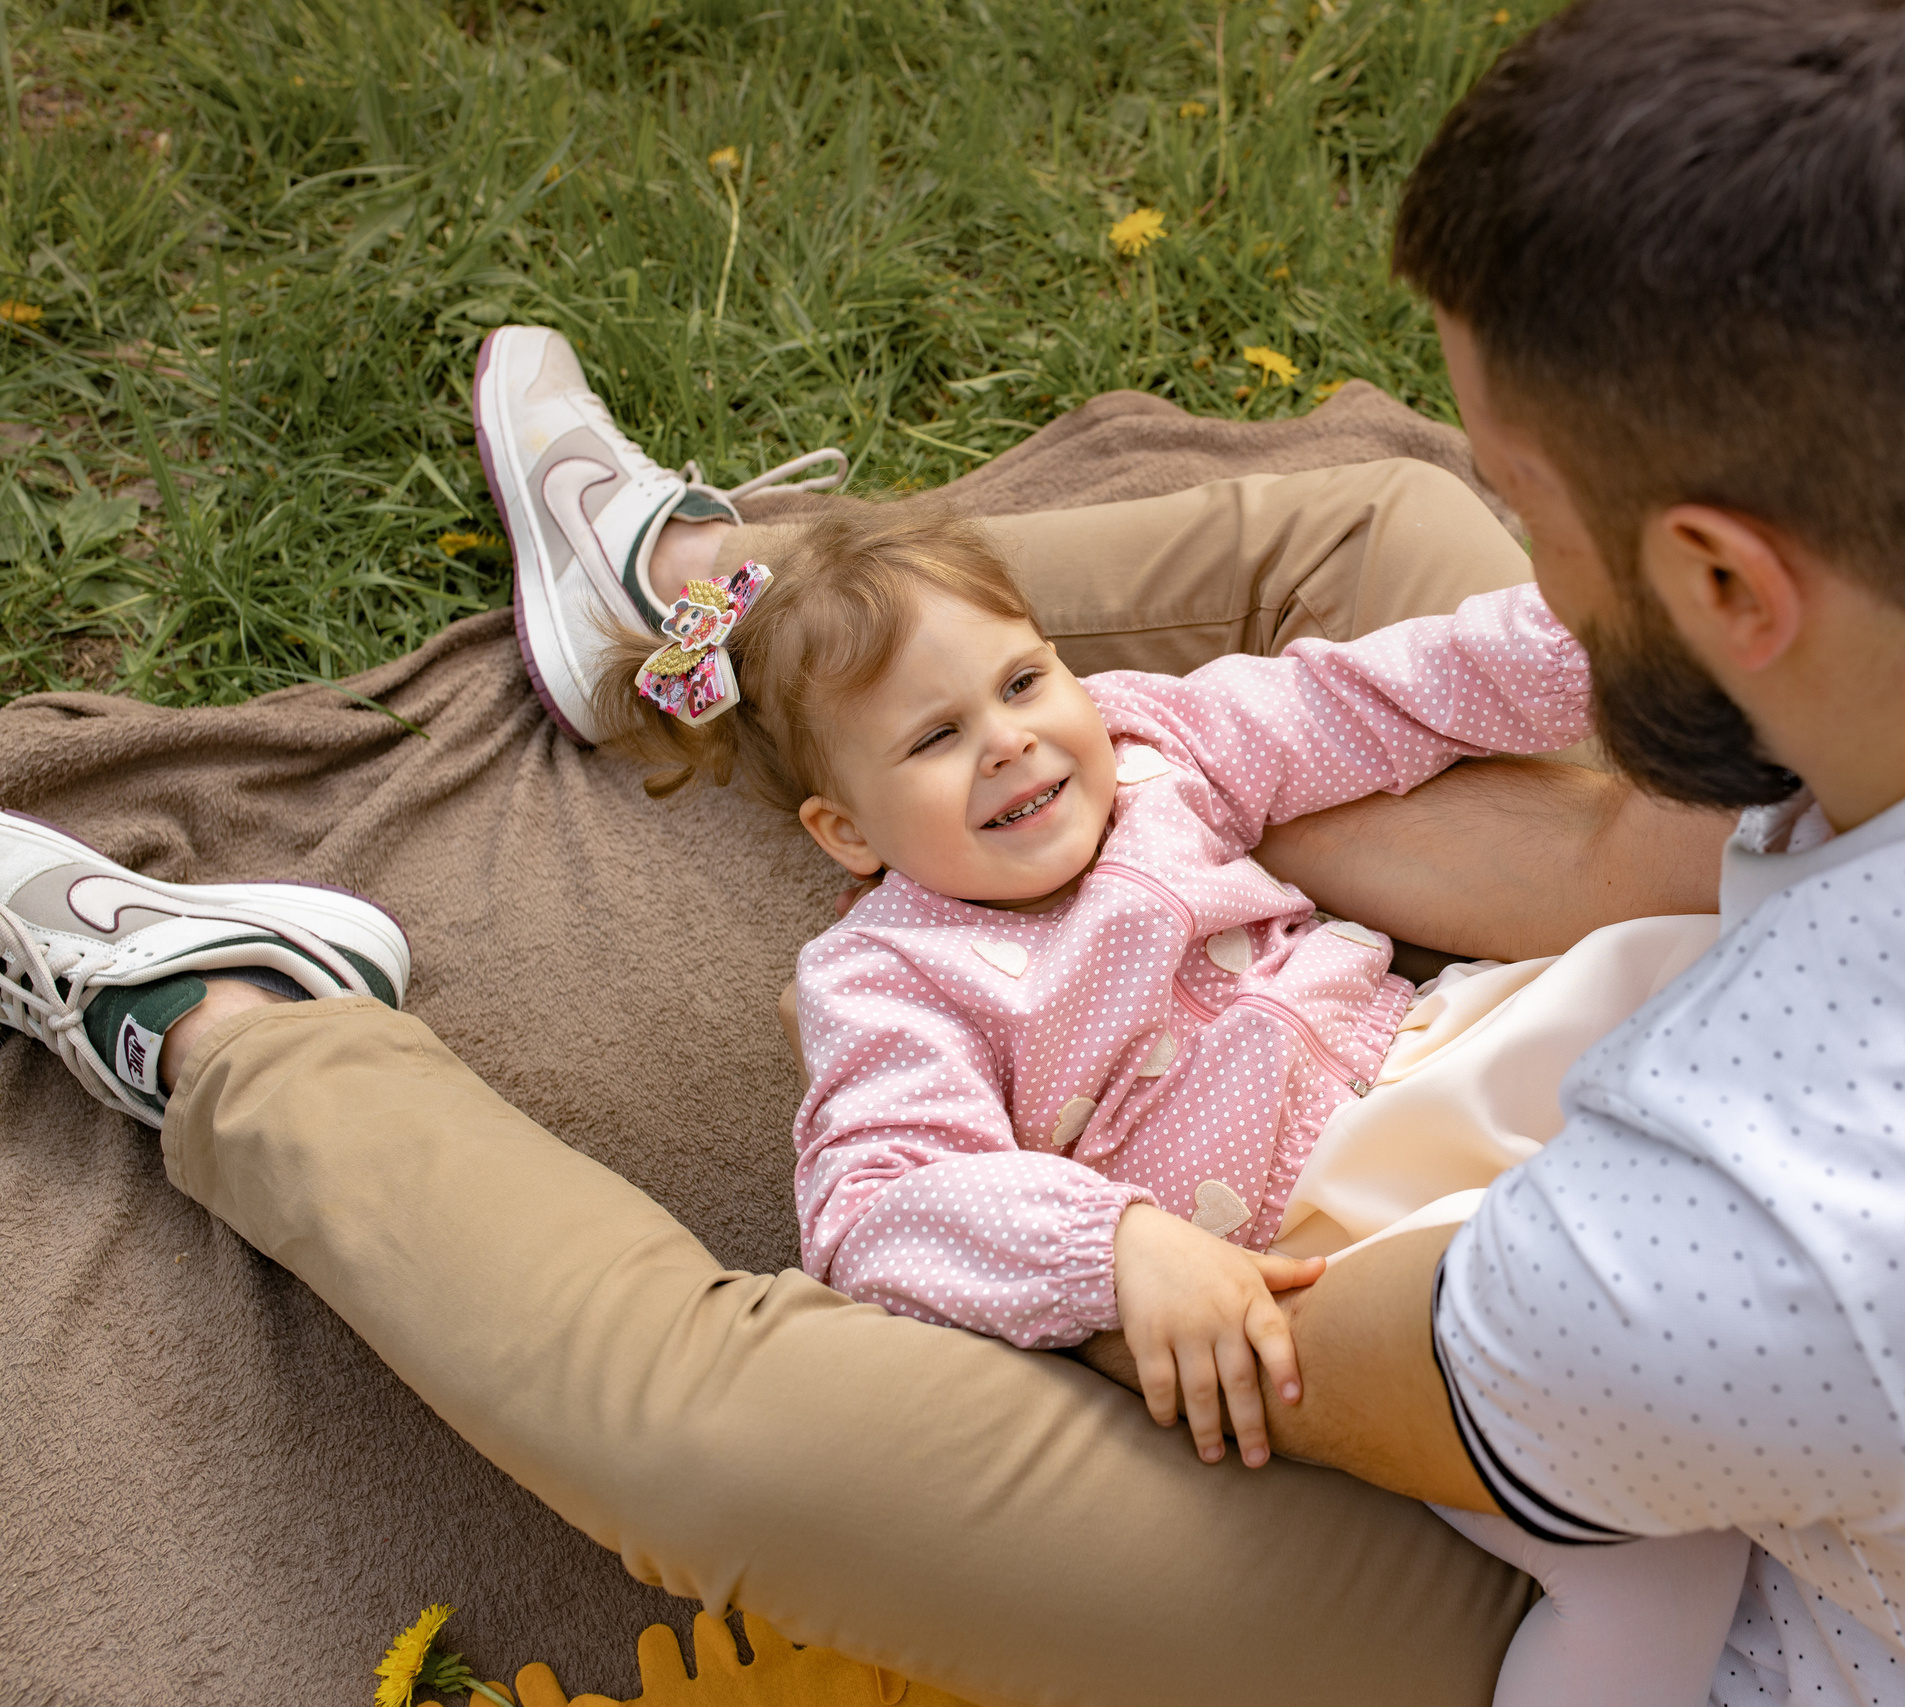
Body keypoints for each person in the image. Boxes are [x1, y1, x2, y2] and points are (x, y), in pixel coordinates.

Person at [0, 4, 1905, 1706]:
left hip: (1629, 1585)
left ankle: (228, 1023)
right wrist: (1194, 807)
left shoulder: (1783, 1226)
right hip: (1792, 1225)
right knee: (1346, 568)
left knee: (720, 1428)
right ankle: (729, 617)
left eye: (1538, 506)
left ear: (1734, 585)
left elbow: (1277, 1335)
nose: (1499, 532)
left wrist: (1136, 1033)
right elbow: (1628, 771)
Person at [589, 501, 1747, 1704]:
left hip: (1441, 1055)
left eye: (1026, 680)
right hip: (1325, 1248)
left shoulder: (1154, 743)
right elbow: (875, 1203)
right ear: (846, 832)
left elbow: (1383, 695)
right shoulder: (884, 977)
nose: (1008, 742)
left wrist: (1625, 645)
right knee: (1650, 1558)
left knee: (1693, 971)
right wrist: (1114, 1246)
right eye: (935, 737)